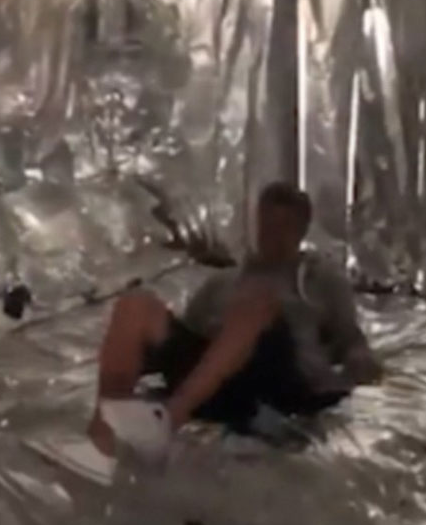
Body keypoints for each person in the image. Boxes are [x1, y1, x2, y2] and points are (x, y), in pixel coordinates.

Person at [34, 182, 382, 485]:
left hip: (277, 382)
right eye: (267, 224)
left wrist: (357, 360)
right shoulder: (224, 282)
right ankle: (100, 443)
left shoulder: (319, 278)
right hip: (217, 380)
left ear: (301, 231)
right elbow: (187, 336)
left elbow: (349, 337)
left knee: (257, 302)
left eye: (284, 227)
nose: (272, 235)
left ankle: (167, 422)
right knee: (135, 304)